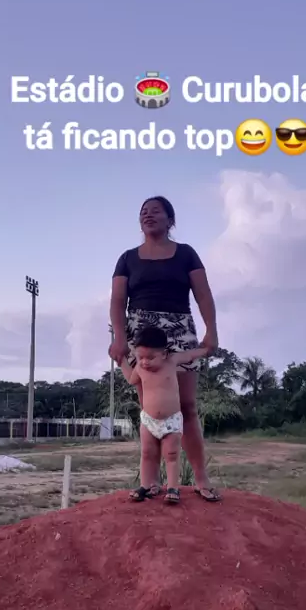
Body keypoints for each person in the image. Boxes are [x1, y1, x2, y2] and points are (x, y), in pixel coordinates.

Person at [109, 195, 220, 502]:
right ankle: (151, 482)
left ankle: (200, 478)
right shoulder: (127, 258)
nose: (148, 215)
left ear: (170, 220)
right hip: (141, 335)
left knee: (187, 406)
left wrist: (211, 330)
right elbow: (117, 301)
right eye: (143, 211)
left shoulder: (186, 254)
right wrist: (119, 337)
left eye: (155, 211)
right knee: (150, 410)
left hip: (179, 330)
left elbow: (203, 294)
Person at [118, 325, 208, 503]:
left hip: (171, 420)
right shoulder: (140, 369)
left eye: (151, 357)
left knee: (171, 454)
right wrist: (121, 361)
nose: (145, 362)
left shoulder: (171, 362)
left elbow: (189, 355)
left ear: (164, 354)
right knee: (147, 453)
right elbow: (131, 379)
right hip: (148, 420)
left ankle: (173, 488)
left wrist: (205, 350)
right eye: (141, 357)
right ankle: (145, 485)